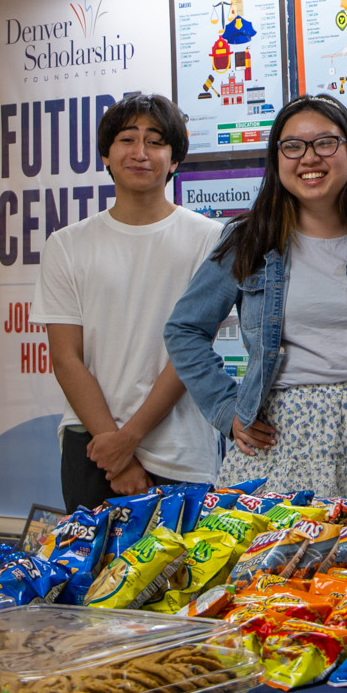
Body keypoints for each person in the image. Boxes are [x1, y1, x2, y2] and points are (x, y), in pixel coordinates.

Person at [164, 94, 347, 500]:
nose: (309, 158)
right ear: (277, 158)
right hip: (283, 443)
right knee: (279, 563)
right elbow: (183, 329)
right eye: (293, 146)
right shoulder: (249, 241)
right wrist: (228, 411)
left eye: (325, 143)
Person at [36, 94, 221, 511]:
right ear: (106, 153)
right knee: (91, 576)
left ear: (174, 160)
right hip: (92, 447)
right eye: (127, 139)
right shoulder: (66, 245)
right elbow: (66, 358)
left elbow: (192, 351)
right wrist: (114, 452)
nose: (140, 153)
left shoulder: (210, 240)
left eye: (155, 141)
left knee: (181, 575)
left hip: (178, 448)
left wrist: (130, 438)